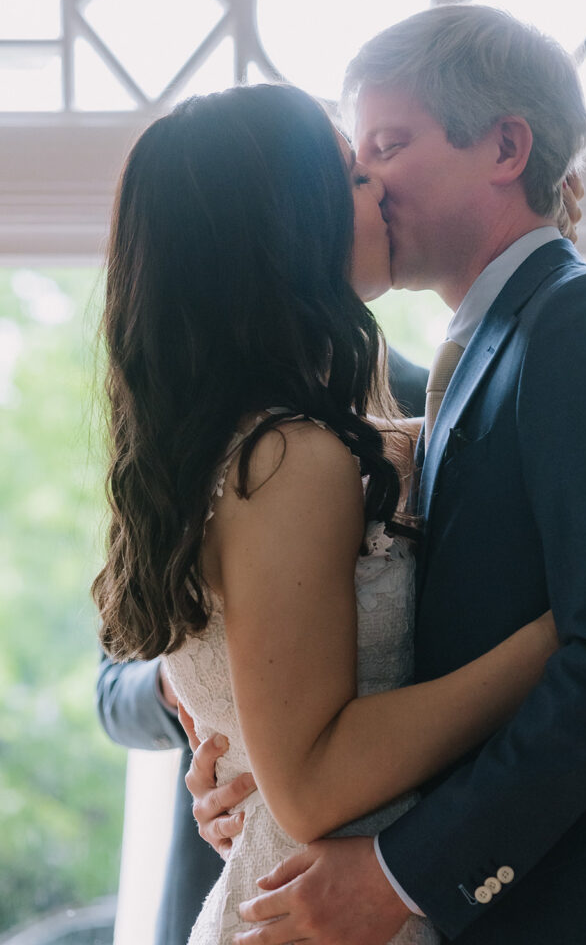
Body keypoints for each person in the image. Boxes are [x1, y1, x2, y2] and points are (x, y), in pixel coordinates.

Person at [189, 6, 586, 945]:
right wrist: (243, 755)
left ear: (504, 146)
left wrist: (401, 874)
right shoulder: (456, 374)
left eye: (389, 142)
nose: (365, 176)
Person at [92, 80, 564, 945]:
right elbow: (309, 781)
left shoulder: (248, 437)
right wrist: (559, 642)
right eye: (352, 176)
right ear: (285, 229)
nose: (380, 189)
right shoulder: (288, 455)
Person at [94, 341, 427, 945]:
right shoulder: (175, 434)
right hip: (248, 862)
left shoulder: (432, 392)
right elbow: (112, 685)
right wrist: (216, 694)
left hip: (396, 878)